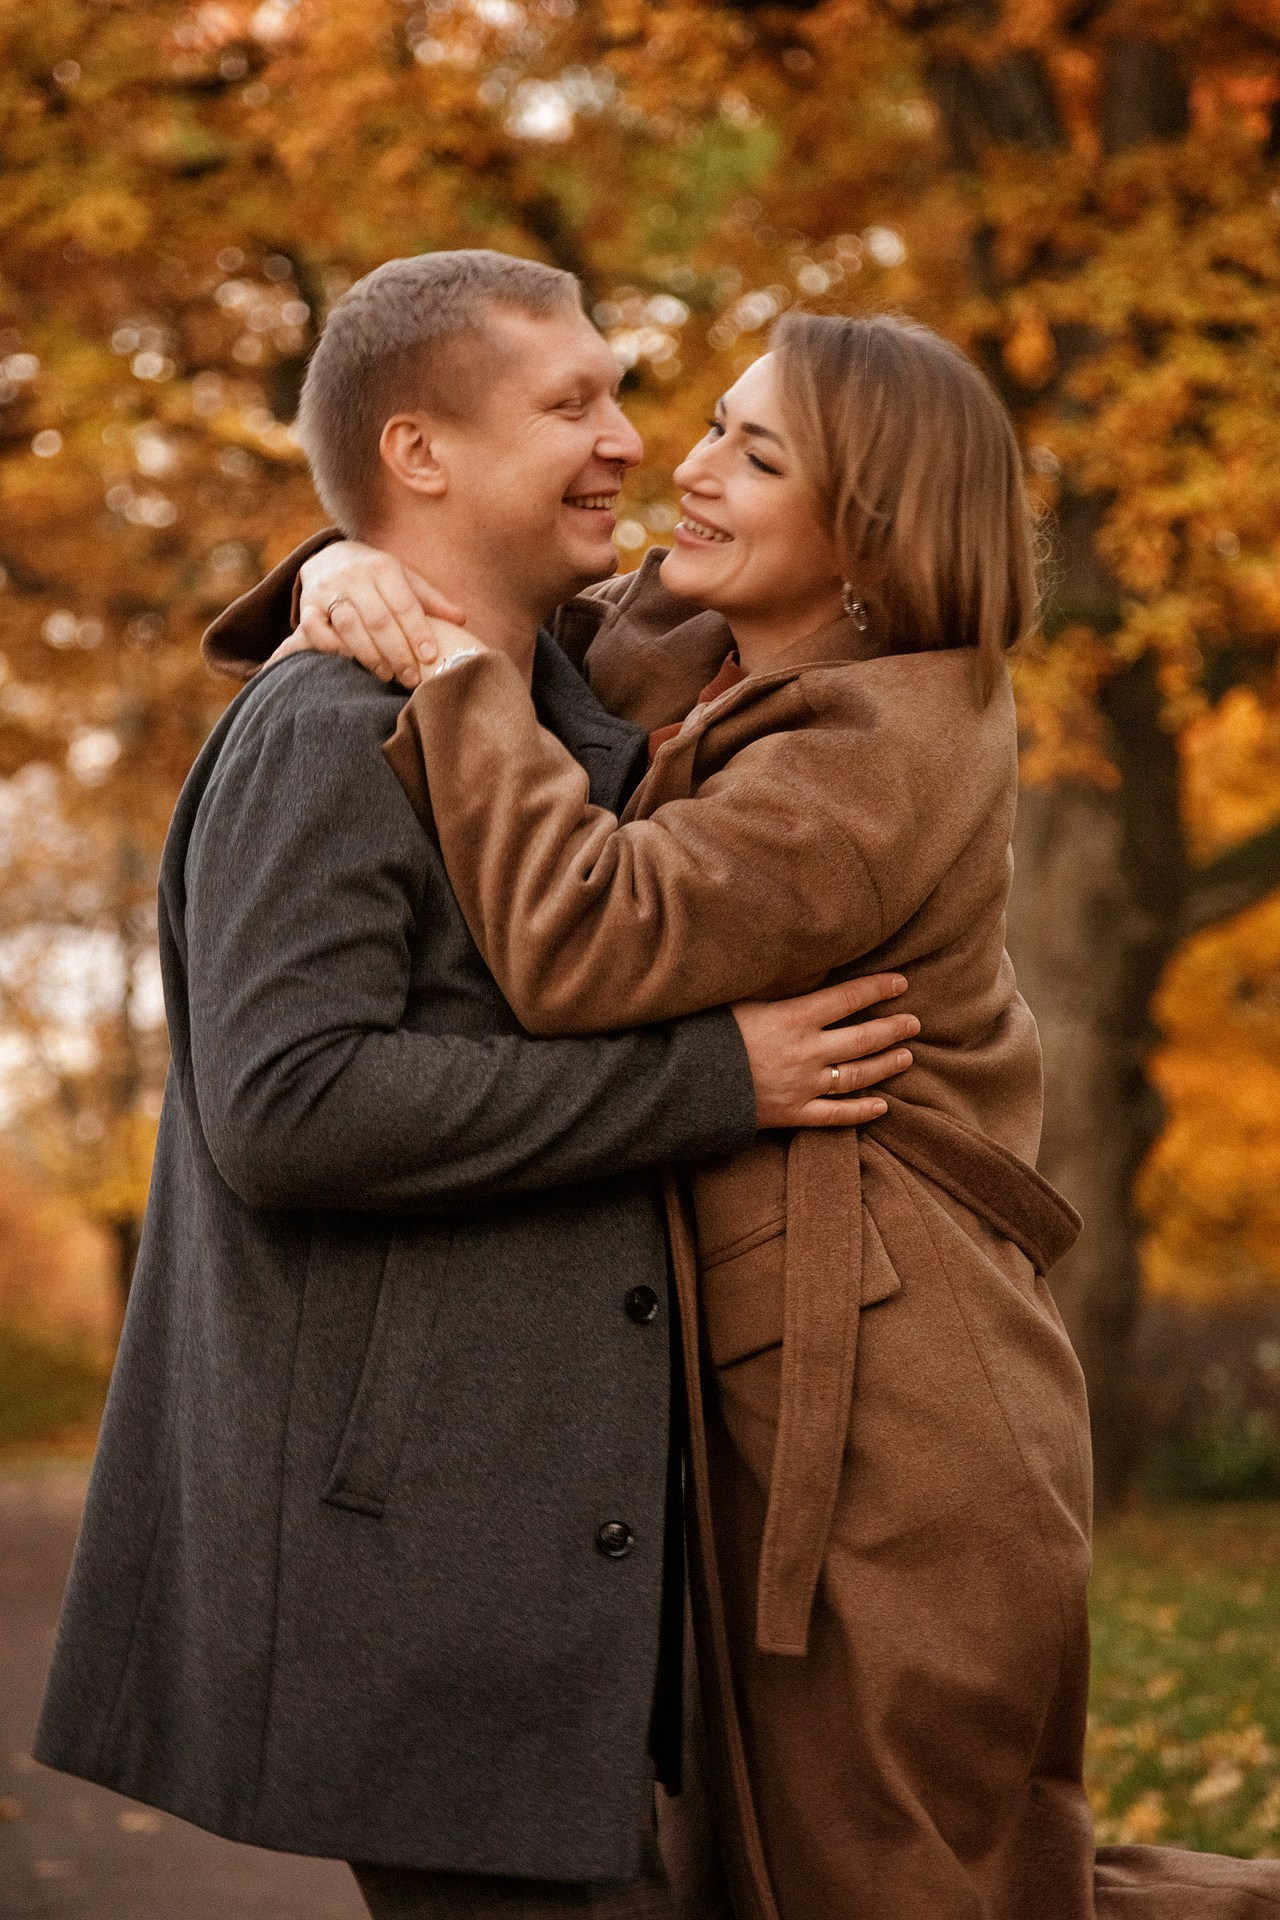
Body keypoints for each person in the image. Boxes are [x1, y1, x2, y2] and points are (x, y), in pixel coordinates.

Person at [228, 291, 1280, 1920]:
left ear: (865, 530)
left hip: (897, 1414)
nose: (685, 466)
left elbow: (589, 935)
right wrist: (340, 569)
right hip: (758, 1385)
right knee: (826, 1873)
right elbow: (487, 584)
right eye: (712, 420)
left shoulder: (885, 749)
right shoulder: (690, 640)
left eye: (753, 449)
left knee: (910, 1880)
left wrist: (443, 674)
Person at [32, 251, 917, 1920]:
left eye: (620, 393)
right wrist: (709, 1081)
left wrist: (345, 567)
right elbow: (291, 1108)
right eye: (570, 403)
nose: (629, 440)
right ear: (421, 454)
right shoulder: (321, 733)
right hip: (424, 1555)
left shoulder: (560, 695)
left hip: (553, 1555)